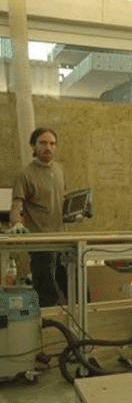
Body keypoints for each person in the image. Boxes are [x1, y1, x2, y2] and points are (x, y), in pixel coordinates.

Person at [10, 127, 68, 307]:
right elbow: (16, 207)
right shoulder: (24, 174)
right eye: (43, 143)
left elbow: (61, 202)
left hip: (63, 243)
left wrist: (74, 216)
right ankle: (45, 333)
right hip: (41, 245)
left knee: (75, 290)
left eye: (52, 143)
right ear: (33, 146)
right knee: (46, 296)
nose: (48, 147)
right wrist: (17, 224)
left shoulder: (59, 170)